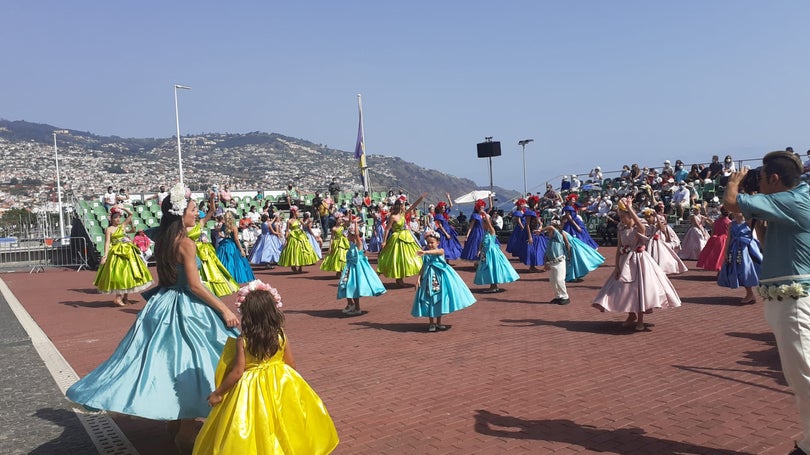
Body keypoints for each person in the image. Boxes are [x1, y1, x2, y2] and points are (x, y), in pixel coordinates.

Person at [67, 184, 240, 451]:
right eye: (194, 210)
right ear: (181, 215)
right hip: (188, 307)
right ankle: (185, 430)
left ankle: (175, 423)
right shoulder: (186, 244)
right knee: (197, 363)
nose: (198, 213)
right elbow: (195, 285)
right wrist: (224, 308)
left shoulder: (163, 241)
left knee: (165, 363)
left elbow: (167, 279)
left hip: (163, 305)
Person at [723, 151, 810, 454]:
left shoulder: (792, 200)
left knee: (805, 377)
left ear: (774, 178)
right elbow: (761, 236)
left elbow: (731, 203)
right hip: (786, 296)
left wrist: (734, 182)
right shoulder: (794, 200)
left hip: (795, 300)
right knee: (800, 377)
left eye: (759, 178)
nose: (756, 184)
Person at [192, 280, 339, 454]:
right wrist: (294, 386)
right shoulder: (280, 335)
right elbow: (290, 363)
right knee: (284, 422)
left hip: (250, 387)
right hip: (281, 381)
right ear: (272, 311)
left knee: (255, 422)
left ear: (247, 314)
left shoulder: (244, 340)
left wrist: (218, 393)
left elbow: (238, 371)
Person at [592, 197, 681, 331]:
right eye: (621, 217)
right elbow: (618, 250)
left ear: (630, 216)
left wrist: (629, 208)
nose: (622, 220)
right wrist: (617, 267)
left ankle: (640, 320)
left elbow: (640, 226)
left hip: (639, 262)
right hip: (624, 262)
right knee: (625, 291)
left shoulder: (639, 229)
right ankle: (631, 315)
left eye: (624, 217)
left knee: (639, 290)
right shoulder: (622, 230)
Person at [411, 230, 477, 332]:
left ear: (438, 242)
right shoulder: (426, 253)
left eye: (432, 243)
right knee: (430, 299)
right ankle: (431, 323)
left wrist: (425, 252)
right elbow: (423, 266)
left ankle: (439, 322)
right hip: (428, 279)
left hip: (439, 278)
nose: (429, 245)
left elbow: (437, 252)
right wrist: (418, 279)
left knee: (439, 299)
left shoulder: (440, 250)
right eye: (428, 243)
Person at [93, 206, 154, 306]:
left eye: (119, 217)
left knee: (129, 274)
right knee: (119, 275)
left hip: (128, 252)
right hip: (116, 253)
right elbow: (107, 242)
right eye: (115, 217)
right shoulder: (109, 229)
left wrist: (122, 208)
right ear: (111, 219)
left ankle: (125, 297)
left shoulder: (122, 226)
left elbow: (130, 214)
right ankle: (118, 298)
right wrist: (105, 255)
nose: (118, 219)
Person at [337, 218, 386, 316]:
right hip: (350, 268)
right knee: (345, 285)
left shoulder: (358, 244)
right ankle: (351, 304)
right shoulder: (351, 244)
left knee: (353, 287)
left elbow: (356, 235)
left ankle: (356, 307)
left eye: (349, 235)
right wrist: (352, 222)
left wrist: (355, 224)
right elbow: (345, 229)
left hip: (357, 269)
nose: (347, 236)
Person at [377, 194, 426, 287]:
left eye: (403, 205)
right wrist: (384, 241)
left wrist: (420, 198)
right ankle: (399, 279)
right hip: (396, 239)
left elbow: (412, 207)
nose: (403, 207)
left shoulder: (403, 214)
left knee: (412, 256)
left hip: (406, 237)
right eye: (402, 205)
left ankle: (416, 275)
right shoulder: (393, 217)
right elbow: (387, 229)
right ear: (399, 206)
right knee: (398, 258)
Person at [717, 212, 761, 304]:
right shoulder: (731, 224)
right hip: (735, 249)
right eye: (735, 211)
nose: (736, 213)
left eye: (739, 211)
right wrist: (725, 252)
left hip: (746, 249)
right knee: (739, 271)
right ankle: (750, 293)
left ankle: (750, 293)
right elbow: (729, 238)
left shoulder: (749, 222)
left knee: (746, 270)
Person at [473, 211, 519, 293]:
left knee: (492, 268)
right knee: (488, 269)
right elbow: (482, 243)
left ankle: (493, 286)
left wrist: (484, 213)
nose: (482, 225)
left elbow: (488, 223)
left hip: (492, 253)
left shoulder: (491, 231)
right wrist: (479, 251)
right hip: (486, 253)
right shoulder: (485, 233)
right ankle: (493, 286)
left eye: (483, 223)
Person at [216, 211, 256, 284]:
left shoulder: (224, 225)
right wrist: (241, 250)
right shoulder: (234, 227)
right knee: (235, 262)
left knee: (224, 260)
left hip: (224, 244)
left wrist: (223, 236)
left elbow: (218, 231)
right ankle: (232, 276)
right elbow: (236, 239)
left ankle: (224, 276)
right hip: (231, 245)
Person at [278, 206, 319, 273]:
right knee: (294, 251)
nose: (298, 213)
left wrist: (308, 222)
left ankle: (300, 266)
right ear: (294, 212)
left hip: (300, 235)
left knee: (302, 250)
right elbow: (287, 230)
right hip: (293, 236)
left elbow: (305, 225)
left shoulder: (299, 220)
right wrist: (286, 238)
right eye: (297, 212)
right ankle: (293, 266)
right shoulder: (289, 221)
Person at [541, 221, 571, 305]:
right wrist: (545, 263)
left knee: (559, 280)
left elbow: (551, 227)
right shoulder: (550, 240)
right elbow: (547, 253)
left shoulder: (558, 236)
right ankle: (558, 297)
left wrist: (541, 230)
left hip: (559, 262)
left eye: (550, 232)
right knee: (553, 281)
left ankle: (565, 297)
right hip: (551, 262)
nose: (549, 233)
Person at [433, 196, 463, 263]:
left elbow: (451, 206)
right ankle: (442, 260)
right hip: (443, 232)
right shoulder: (438, 216)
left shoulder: (444, 214)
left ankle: (447, 260)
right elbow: (440, 226)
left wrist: (449, 198)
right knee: (443, 246)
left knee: (450, 245)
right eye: (442, 208)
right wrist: (446, 234)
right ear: (440, 208)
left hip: (448, 230)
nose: (444, 209)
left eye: (444, 208)